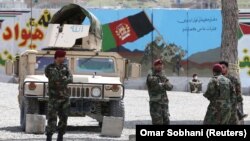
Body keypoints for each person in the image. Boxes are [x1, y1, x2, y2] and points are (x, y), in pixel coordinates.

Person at [45, 50, 73, 141]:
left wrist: (63, 79)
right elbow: (54, 78)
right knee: (52, 118)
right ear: (58, 57)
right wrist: (64, 78)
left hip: (65, 98)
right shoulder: (49, 68)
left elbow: (71, 78)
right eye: (63, 56)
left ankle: (60, 136)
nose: (64, 58)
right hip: (54, 98)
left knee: (64, 118)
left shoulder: (65, 67)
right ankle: (49, 137)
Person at [146, 59, 173, 125]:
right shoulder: (151, 75)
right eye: (158, 65)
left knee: (166, 122)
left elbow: (170, 87)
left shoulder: (163, 76)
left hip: (164, 104)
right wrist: (163, 82)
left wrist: (163, 82)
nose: (160, 66)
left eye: (161, 65)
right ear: (154, 66)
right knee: (157, 122)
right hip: (155, 104)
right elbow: (156, 85)